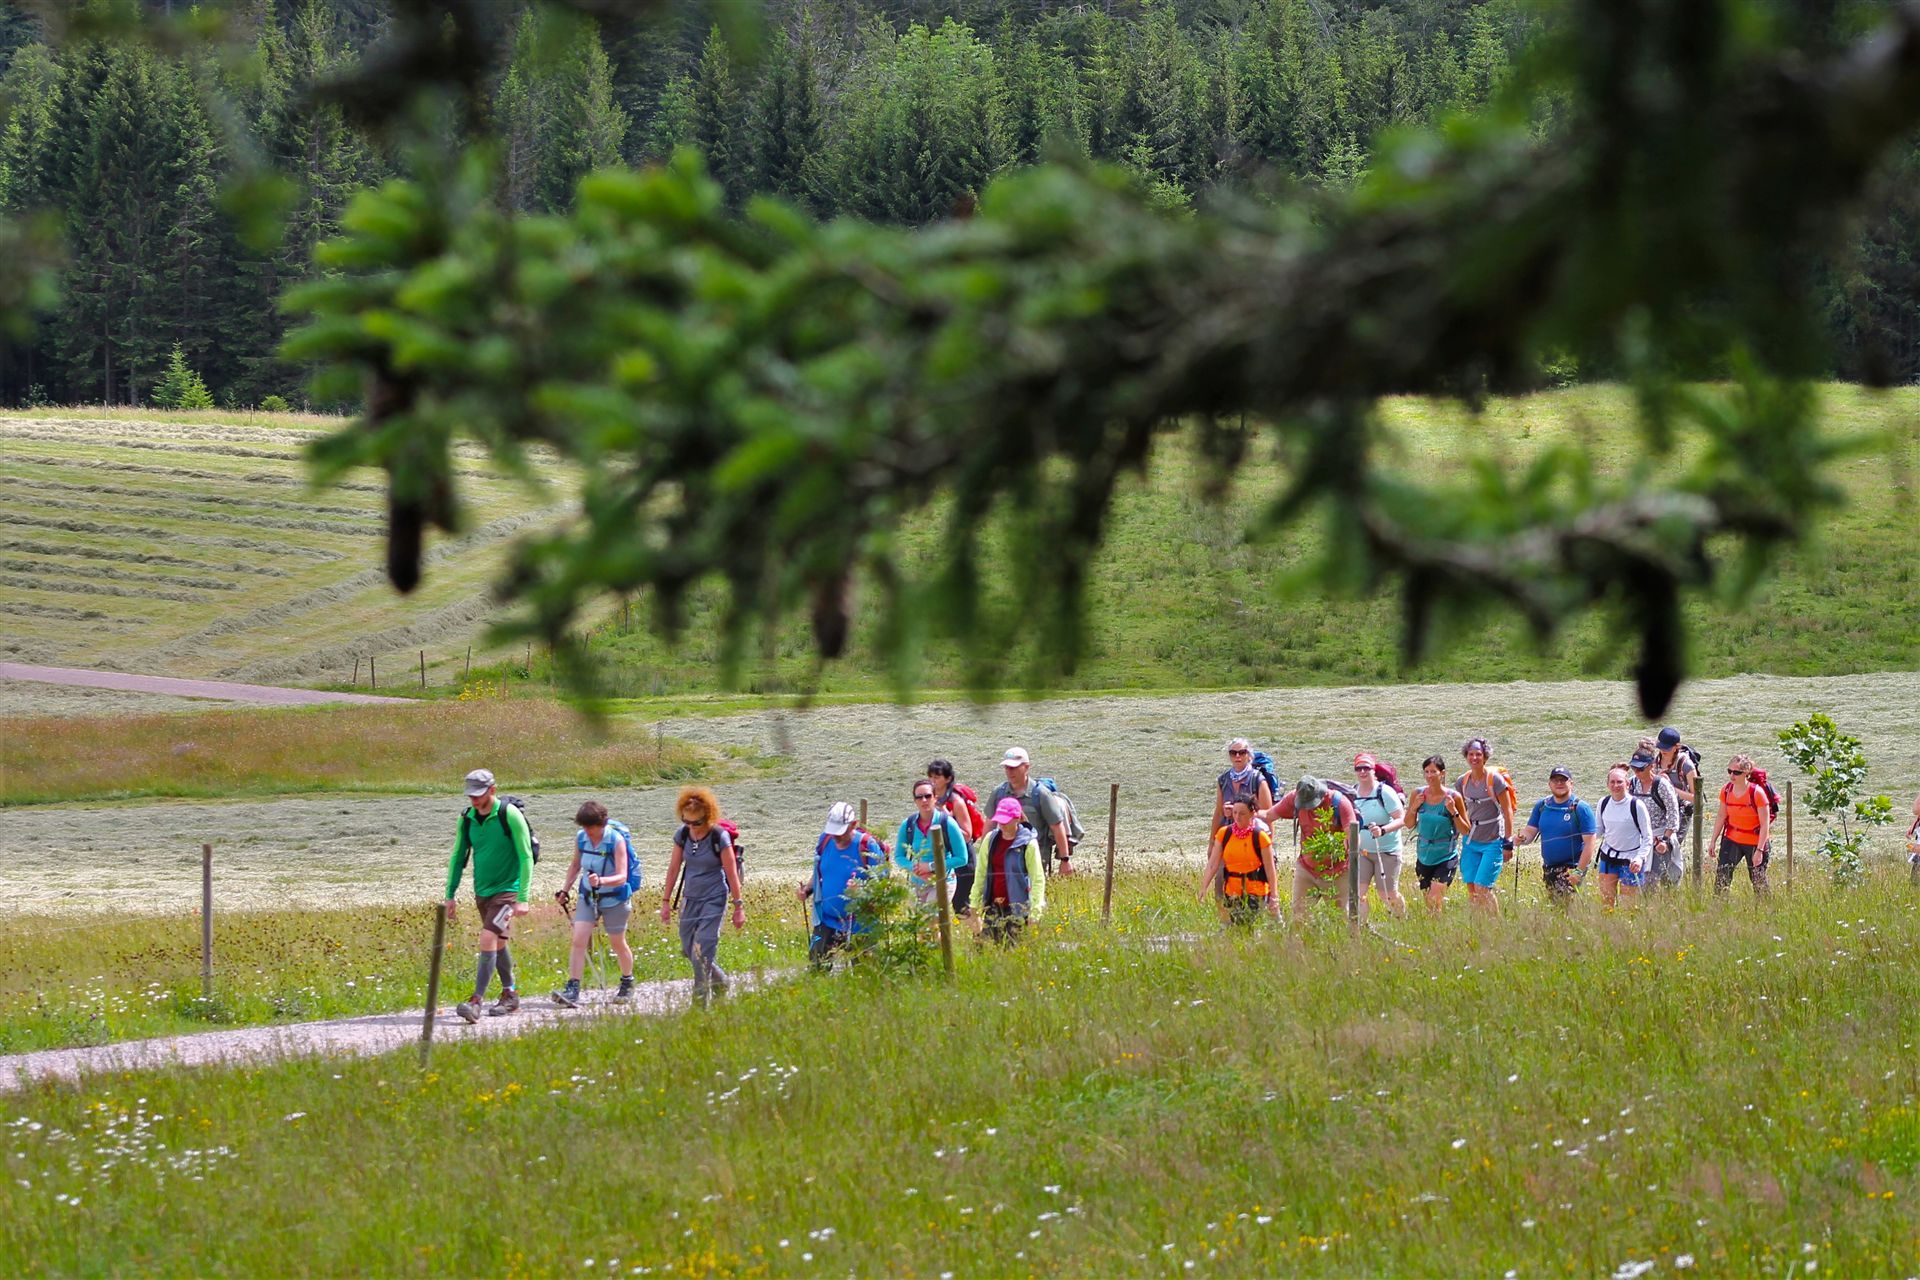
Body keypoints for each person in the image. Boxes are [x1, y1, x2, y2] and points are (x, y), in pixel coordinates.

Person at [444, 769, 534, 1023]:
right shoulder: (467, 818)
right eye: (470, 795)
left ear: (492, 790)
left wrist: (523, 897)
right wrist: (450, 894)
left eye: (478, 794)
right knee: (498, 942)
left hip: (508, 890)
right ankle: (511, 994)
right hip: (482, 890)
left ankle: (475, 1002)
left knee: (487, 937)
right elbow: (457, 856)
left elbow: (526, 856)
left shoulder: (510, 815)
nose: (473, 800)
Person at [659, 785, 745, 1003]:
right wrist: (666, 901)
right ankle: (721, 980)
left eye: (696, 823)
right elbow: (673, 868)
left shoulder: (719, 837)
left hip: (714, 898)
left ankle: (700, 1001)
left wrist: (738, 906)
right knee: (689, 949)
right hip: (690, 898)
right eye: (686, 821)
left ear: (707, 817)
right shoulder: (683, 835)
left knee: (703, 948)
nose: (692, 827)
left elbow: (731, 872)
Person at [552, 801, 636, 1007]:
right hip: (588, 897)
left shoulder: (615, 841)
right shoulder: (581, 839)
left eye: (591, 827)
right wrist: (565, 890)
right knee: (578, 940)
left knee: (617, 943)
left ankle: (627, 982)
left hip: (615, 898)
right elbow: (575, 865)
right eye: (584, 827)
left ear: (602, 824)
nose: (587, 831)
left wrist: (602, 881)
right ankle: (573, 988)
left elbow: (622, 876)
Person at [799, 802, 885, 969]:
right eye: (833, 831)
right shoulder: (825, 839)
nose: (836, 836)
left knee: (866, 974)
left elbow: (881, 883)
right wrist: (807, 889)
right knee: (816, 968)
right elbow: (820, 870)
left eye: (840, 831)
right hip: (826, 921)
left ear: (854, 824)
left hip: (862, 923)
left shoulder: (868, 846)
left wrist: (862, 890)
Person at [1265, 776, 1356, 927]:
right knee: (1299, 918)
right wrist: (1243, 813)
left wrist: (1348, 847)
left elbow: (1352, 835)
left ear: (1322, 794)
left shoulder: (1340, 803)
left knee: (1340, 920)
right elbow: (1269, 815)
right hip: (1306, 869)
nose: (1309, 808)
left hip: (1337, 871)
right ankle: (1298, 949)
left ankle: (1347, 948)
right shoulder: (1294, 798)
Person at [989, 747, 1076, 876]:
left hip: (1035, 861)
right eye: (1007, 767)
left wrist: (1065, 860)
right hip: (1004, 861)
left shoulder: (1041, 794)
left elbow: (1057, 827)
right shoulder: (998, 793)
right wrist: (986, 856)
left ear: (1026, 767)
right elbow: (989, 826)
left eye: (1014, 767)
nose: (1009, 771)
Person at [1516, 766, 1596, 905]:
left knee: (1565, 909)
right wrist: (1520, 838)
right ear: (1549, 784)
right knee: (1555, 909)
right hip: (1548, 868)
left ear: (1571, 783)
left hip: (1570, 869)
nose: (1559, 783)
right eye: (1555, 780)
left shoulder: (1581, 808)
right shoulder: (1542, 806)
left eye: (1563, 780)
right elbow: (1530, 832)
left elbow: (1590, 843)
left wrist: (1578, 872)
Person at [1455, 738, 1515, 915]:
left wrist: (1508, 841)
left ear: (1485, 757)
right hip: (1470, 840)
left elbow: (1507, 810)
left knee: (1483, 887)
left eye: (1478, 754)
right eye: (1471, 754)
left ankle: (1495, 926)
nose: (1474, 758)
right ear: (1466, 756)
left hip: (1493, 841)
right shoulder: (1462, 782)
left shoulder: (1494, 780)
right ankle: (1479, 925)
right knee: (1472, 888)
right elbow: (1460, 810)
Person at [974, 797, 1046, 944]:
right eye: (1000, 820)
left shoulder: (1029, 844)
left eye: (1006, 820)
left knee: (1014, 953)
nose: (1002, 824)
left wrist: (1035, 912)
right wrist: (974, 903)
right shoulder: (990, 839)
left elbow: (1037, 878)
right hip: (992, 908)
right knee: (984, 951)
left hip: (1018, 911)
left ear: (1017, 818)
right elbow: (980, 872)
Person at [1404, 755, 1470, 913]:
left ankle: (1437, 928)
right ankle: (1435, 929)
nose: (1429, 776)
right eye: (1426, 772)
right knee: (1429, 903)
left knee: (1435, 898)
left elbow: (1465, 830)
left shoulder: (1454, 797)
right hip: (1424, 856)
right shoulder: (1417, 794)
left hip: (1445, 856)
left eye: (1433, 771)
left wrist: (1453, 811)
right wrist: (1414, 807)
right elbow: (1408, 824)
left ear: (1443, 774)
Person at [1198, 796, 1279, 925]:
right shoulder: (1224, 834)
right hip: (1232, 892)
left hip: (1256, 892)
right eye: (1235, 812)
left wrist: (1274, 896)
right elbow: (1213, 864)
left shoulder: (1260, 836)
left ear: (1252, 814)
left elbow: (1270, 869)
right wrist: (1203, 888)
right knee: (1232, 929)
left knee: (1249, 927)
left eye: (1242, 813)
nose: (1237, 817)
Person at [1350, 753, 1408, 923]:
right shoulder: (1353, 792)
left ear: (1373, 770)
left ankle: (1401, 921)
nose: (1362, 771)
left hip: (1387, 852)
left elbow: (1402, 819)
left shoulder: (1385, 792)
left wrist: (1383, 830)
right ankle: (1360, 927)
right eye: (1358, 768)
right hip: (1363, 852)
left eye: (1366, 768)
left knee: (1387, 894)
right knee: (1357, 893)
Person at [894, 781, 970, 907]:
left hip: (943, 882)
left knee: (932, 919)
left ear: (935, 798)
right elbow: (898, 856)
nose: (924, 800)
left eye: (928, 796)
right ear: (915, 800)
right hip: (916, 883)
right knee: (918, 924)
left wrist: (930, 867)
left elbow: (962, 858)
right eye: (919, 797)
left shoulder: (948, 823)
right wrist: (915, 868)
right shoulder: (907, 825)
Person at [1709, 754, 1772, 898]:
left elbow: (1765, 824)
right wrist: (1713, 840)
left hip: (1755, 842)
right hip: (1732, 840)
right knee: (1721, 879)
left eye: (1736, 772)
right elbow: (1721, 816)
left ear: (1747, 774)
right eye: (1729, 771)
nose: (1732, 775)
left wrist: (1760, 850)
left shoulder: (1757, 793)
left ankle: (1767, 912)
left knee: (1758, 881)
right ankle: (1718, 910)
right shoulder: (1726, 790)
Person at [926, 760, 983, 915]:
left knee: (961, 904)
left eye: (937, 777)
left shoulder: (956, 802)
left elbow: (966, 835)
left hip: (962, 859)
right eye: (930, 777)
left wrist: (946, 817)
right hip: (943, 857)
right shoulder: (932, 800)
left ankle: (979, 936)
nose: (933, 781)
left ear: (948, 779)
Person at [1594, 765, 1653, 908]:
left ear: (1627, 784)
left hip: (1631, 860)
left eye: (1619, 782)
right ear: (1607, 784)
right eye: (1612, 782)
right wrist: (1583, 839)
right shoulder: (1603, 803)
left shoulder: (1637, 805)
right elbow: (1598, 830)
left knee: (1629, 906)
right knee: (1606, 904)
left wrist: (1640, 858)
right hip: (1608, 858)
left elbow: (1647, 837)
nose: (1615, 785)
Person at [1628, 749, 1683, 892]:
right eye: (1634, 768)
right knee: (1641, 882)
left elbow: (1673, 813)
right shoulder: (1633, 784)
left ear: (1651, 765)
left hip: (1660, 838)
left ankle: (1667, 906)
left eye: (1640, 768)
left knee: (1661, 879)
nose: (1637, 772)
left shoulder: (1662, 785)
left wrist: (1665, 840)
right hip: (1640, 839)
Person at [1211, 739, 1276, 838]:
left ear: (1249, 755)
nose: (1237, 756)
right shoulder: (1223, 780)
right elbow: (1218, 813)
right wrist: (1212, 842)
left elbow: (1268, 815)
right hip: (1228, 838)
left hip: (1253, 838)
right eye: (1233, 753)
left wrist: (1269, 845)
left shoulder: (1258, 780)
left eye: (1242, 752)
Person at [1654, 726, 1701, 839]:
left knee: (1670, 846)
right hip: (1660, 810)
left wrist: (1670, 788)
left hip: (1681, 812)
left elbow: (1696, 798)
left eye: (1667, 748)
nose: (1663, 750)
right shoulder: (1656, 761)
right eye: (1661, 747)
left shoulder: (1686, 765)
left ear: (1676, 747)